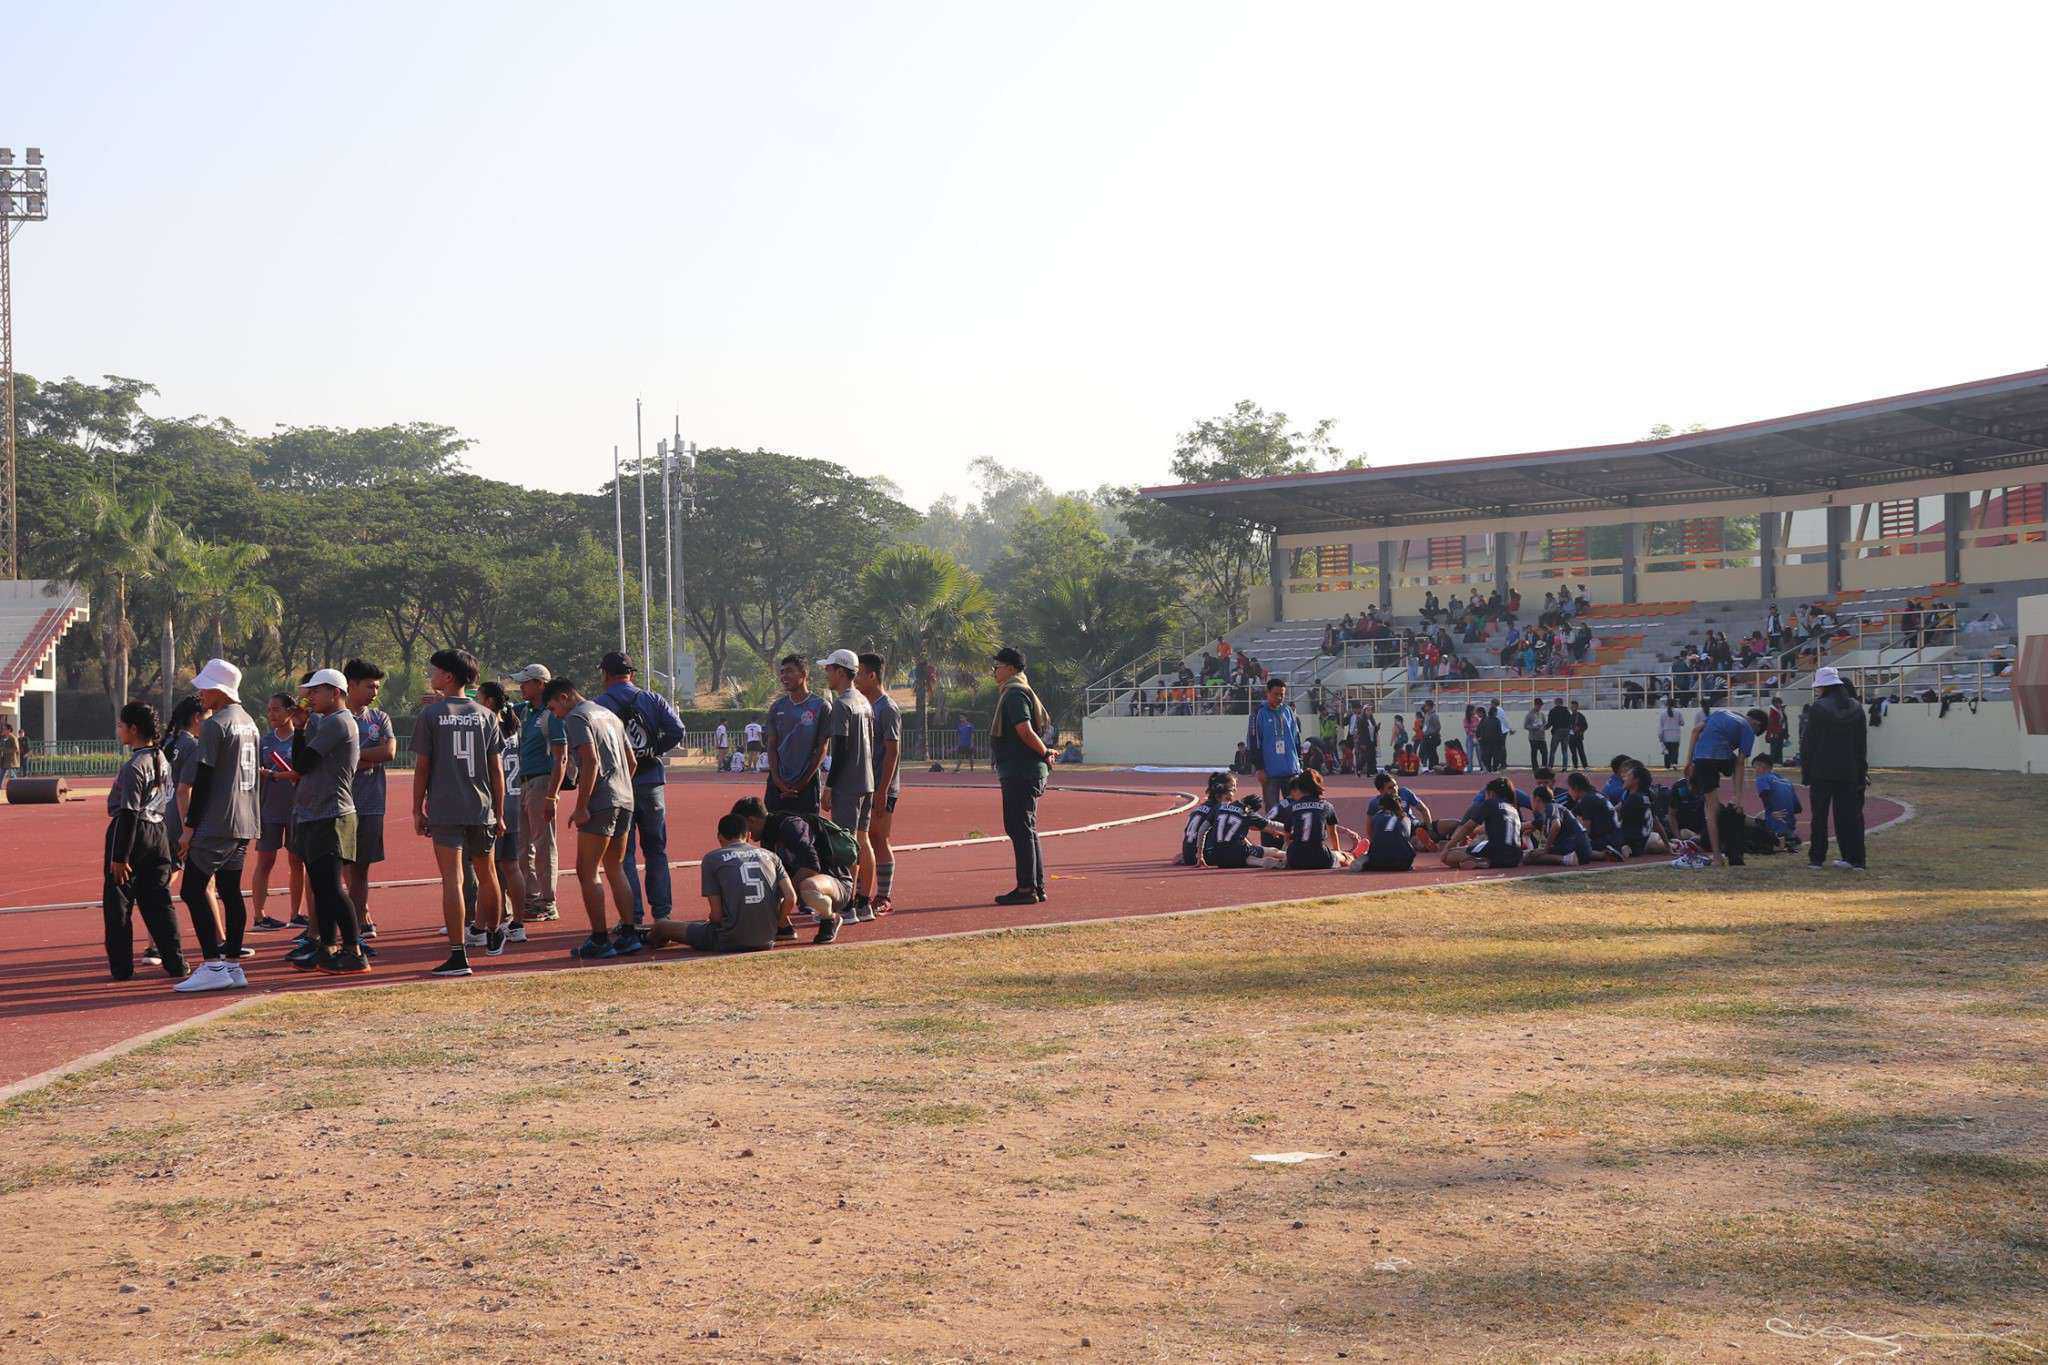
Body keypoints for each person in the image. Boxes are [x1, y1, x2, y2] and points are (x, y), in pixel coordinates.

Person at [412, 647, 508, 978]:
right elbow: (497, 771)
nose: (431, 675)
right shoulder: (486, 715)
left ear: (448, 676)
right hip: (481, 808)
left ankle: (458, 954)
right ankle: (493, 933)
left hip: (446, 808)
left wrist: (416, 808)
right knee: (488, 873)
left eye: (434, 671)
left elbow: (422, 767)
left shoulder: (431, 715)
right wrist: (500, 811)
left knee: (453, 878)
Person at [172, 658, 262, 994]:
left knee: (192, 890)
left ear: (220, 691)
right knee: (230, 890)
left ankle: (213, 964)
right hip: (246, 818)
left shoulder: (215, 725)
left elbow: (205, 779)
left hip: (218, 821)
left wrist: (189, 827)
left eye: (206, 687)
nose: (201, 693)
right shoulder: (250, 722)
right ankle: (233, 965)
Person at [280, 669, 369, 973]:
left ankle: (354, 950)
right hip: (318, 813)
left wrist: (302, 730)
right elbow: (300, 762)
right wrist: (301, 729)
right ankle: (328, 947)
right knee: (321, 886)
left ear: (335, 692)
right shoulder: (329, 721)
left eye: (316, 691)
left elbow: (303, 764)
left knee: (331, 886)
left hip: (332, 814)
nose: (310, 697)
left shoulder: (337, 722)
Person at [544, 675, 640, 957]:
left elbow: (590, 761)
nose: (556, 715)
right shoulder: (610, 715)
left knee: (587, 870)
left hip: (601, 801)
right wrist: (621, 786)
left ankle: (600, 939)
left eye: (553, 708)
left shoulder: (577, 717)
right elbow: (631, 761)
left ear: (564, 697)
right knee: (615, 866)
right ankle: (629, 933)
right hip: (625, 798)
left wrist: (582, 805)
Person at [595, 651, 686, 929]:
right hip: (652, 780)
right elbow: (677, 730)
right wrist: (653, 750)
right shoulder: (652, 699)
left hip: (620, 784)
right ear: (631, 674)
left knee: (624, 854)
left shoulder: (599, 705)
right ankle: (662, 915)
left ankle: (632, 917)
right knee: (657, 850)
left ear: (605, 675)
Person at [102, 701, 187, 982]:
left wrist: (120, 857)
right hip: (158, 832)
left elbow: (128, 812)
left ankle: (122, 969)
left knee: (119, 905)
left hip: (131, 833)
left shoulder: (134, 766)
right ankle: (176, 963)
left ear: (134, 729)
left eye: (120, 726)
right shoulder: (161, 757)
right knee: (159, 903)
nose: (118, 730)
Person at [646, 812, 795, 954]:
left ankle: (646, 939)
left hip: (729, 939)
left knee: (662, 926)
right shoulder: (771, 856)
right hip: (766, 939)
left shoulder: (713, 859)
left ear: (719, 837)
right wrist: (779, 924)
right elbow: (790, 898)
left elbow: (717, 916)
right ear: (748, 835)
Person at [732, 795, 846, 943]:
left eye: (742, 828)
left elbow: (812, 866)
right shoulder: (767, 834)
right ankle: (784, 927)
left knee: (808, 886)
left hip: (834, 882)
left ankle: (830, 918)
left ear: (752, 820)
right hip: (807, 881)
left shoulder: (791, 826)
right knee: (762, 884)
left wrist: (787, 892)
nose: (742, 834)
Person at [990, 646, 1054, 905]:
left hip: (1021, 771)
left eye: (997, 667)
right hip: (1023, 770)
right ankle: (1035, 886)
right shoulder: (1017, 690)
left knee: (1020, 828)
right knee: (1026, 828)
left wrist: (1045, 752)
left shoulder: (1014, 693)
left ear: (1011, 669)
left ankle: (1027, 888)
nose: (994, 672)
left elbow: (1024, 730)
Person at [338, 659, 394, 941]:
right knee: (338, 866)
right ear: (352, 685)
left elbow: (389, 752)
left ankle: (360, 916)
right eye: (370, 686)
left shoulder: (379, 718)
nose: (374, 692)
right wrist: (366, 757)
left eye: (377, 687)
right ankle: (336, 923)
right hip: (338, 803)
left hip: (371, 802)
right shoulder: (335, 718)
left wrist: (353, 757)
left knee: (361, 866)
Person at [507, 664, 567, 923]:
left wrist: (552, 795)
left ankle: (548, 901)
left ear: (540, 684)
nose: (521, 687)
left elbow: (561, 757)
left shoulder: (551, 715)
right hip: (521, 783)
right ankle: (531, 898)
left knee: (543, 844)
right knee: (522, 845)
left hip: (542, 782)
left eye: (526, 682)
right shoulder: (524, 711)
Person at [476, 682, 532, 944]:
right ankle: (516, 923)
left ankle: (481, 927)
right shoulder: (514, 728)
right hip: (514, 801)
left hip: (494, 805)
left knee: (487, 869)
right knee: (510, 866)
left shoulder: (488, 729)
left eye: (479, 697)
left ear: (488, 702)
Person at [1800, 666, 1869, 871]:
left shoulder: (1818, 708)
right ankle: (1855, 859)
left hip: (1821, 770)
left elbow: (1808, 743)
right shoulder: (1856, 708)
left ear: (1823, 686)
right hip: (1849, 770)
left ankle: (1816, 858)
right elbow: (1861, 744)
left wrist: (1806, 771)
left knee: (1819, 817)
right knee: (1849, 816)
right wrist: (1861, 772)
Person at [250, 693, 304, 932]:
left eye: (276, 710)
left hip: (298, 810)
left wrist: (277, 774)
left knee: (297, 861)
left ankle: (296, 914)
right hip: (269, 809)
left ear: (290, 712)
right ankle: (259, 916)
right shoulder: (264, 741)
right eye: (269, 710)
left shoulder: (301, 739)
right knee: (265, 861)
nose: (271, 714)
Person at [1687, 703, 1766, 866]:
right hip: (1721, 758)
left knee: (1710, 809)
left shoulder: (1721, 712)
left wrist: (1689, 762)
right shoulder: (1748, 729)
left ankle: (1717, 857)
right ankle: (1718, 855)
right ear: (1757, 724)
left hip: (1701, 758)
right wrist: (1738, 796)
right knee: (1734, 763)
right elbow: (1741, 763)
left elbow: (1695, 731)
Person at [855, 652, 902, 916]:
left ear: (872, 675)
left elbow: (892, 752)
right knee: (861, 839)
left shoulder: (887, 708)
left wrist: (883, 791)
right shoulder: (861, 705)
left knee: (878, 838)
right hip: (862, 785)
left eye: (859, 674)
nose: (855, 679)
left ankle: (883, 896)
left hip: (882, 786)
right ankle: (860, 891)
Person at [766, 654, 829, 814]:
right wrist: (777, 780)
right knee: (775, 827)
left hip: (806, 784)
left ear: (804, 674)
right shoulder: (776, 707)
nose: (784, 676)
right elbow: (771, 745)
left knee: (807, 828)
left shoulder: (821, 706)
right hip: (778, 783)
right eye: (782, 672)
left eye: (789, 671)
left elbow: (822, 748)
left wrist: (802, 783)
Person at [1441, 778, 1526, 870]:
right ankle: (1484, 861)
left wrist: (1448, 846)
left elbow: (1468, 827)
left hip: (1496, 852)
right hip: (1515, 858)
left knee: (1449, 855)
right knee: (1483, 844)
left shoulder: (1490, 803)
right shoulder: (1514, 810)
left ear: (1491, 793)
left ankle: (1479, 861)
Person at [1246, 677, 1303, 810]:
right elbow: (1253, 741)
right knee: (1272, 811)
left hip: (1291, 771)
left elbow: (1296, 738)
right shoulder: (1258, 713)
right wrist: (1259, 768)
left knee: (1295, 809)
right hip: (1270, 773)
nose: (1279, 698)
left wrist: (1299, 762)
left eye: (1282, 694)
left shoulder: (1288, 711)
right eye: (1276, 694)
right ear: (1267, 693)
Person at [1278, 769, 1349, 870]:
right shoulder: (1327, 806)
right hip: (1320, 857)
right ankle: (1352, 857)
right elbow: (1333, 833)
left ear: (1300, 786)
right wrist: (1338, 851)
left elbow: (1287, 836)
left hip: (1295, 859)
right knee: (1341, 856)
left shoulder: (1291, 807)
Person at [1524, 785, 1596, 866]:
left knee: (1530, 857)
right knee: (1530, 855)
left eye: (1531, 798)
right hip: (1581, 847)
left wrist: (1546, 849)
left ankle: (1566, 859)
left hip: (1575, 847)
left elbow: (1556, 825)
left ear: (1537, 799)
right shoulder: (1547, 813)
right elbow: (1527, 826)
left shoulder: (1550, 808)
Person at [1565, 772, 1628, 862]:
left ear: (1575, 788)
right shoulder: (1595, 795)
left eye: (1569, 788)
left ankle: (1604, 854)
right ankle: (1619, 848)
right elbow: (1569, 816)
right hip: (1616, 837)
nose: (1568, 792)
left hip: (1605, 840)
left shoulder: (1587, 800)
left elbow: (1587, 830)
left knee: (1567, 847)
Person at [1617, 763, 1670, 857]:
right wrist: (1667, 844)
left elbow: (1617, 822)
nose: (1624, 779)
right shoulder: (1645, 796)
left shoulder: (1633, 799)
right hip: (1641, 842)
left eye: (1628, 776)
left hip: (1632, 844)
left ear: (1636, 780)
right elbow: (1655, 821)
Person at [1752, 754, 1803, 848]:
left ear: (1761, 765)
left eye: (1755, 767)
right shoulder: (1787, 781)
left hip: (1776, 822)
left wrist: (1772, 812)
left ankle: (1777, 837)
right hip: (1790, 824)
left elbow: (1765, 795)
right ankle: (1790, 835)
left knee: (1757, 819)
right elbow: (1798, 809)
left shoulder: (1762, 778)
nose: (1754, 771)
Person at [1180, 774, 1229, 865]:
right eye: (1233, 786)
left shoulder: (1199, 808)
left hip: (1188, 855)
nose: (1235, 789)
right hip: (1205, 855)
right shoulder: (1218, 809)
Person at [1658, 700, 1684, 769]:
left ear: (1666, 704)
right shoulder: (1678, 712)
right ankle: (1674, 763)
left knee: (1667, 751)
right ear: (1674, 704)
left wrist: (1660, 735)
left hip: (1666, 734)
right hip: (1676, 734)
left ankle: (1667, 766)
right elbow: (1682, 723)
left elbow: (1661, 725)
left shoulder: (1662, 713)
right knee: (1675, 750)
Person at [1524, 699, 1549, 770]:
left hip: (1542, 737)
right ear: (1535, 705)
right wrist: (1534, 727)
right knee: (1534, 753)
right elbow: (1525, 726)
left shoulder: (1542, 714)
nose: (1539, 707)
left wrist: (1544, 727)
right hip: (1533, 737)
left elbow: (1545, 724)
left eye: (1540, 706)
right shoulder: (1529, 715)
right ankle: (1535, 768)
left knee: (1545, 752)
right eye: (1538, 706)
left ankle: (1544, 767)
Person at [1566, 701, 1590, 768]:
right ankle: (1575, 766)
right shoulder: (1569, 716)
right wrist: (1569, 730)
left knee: (1581, 752)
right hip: (1571, 738)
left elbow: (1585, 726)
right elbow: (1567, 726)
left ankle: (1585, 766)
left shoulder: (1580, 716)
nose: (1573, 708)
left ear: (1577, 707)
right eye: (1571, 706)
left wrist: (1579, 729)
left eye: (1574, 706)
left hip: (1578, 737)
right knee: (1573, 753)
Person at [0, 718, 21, 788]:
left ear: (9, 730)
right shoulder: (3, 738)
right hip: (4, 760)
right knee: (2, 772)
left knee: (12, 773)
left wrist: (6, 750)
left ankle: (17, 786)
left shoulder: (13, 738)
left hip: (11, 760)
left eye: (4, 729)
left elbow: (16, 749)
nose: (3, 730)